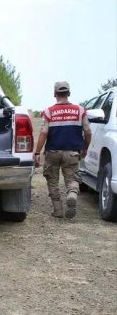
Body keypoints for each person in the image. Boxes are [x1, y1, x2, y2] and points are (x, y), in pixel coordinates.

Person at [34, 81, 92, 219]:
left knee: (52, 180)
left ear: (55, 94)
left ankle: (58, 210)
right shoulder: (80, 110)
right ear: (69, 93)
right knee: (72, 178)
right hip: (72, 152)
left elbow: (43, 133)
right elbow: (88, 131)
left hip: (53, 152)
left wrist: (37, 152)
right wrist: (85, 148)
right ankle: (72, 194)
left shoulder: (48, 112)